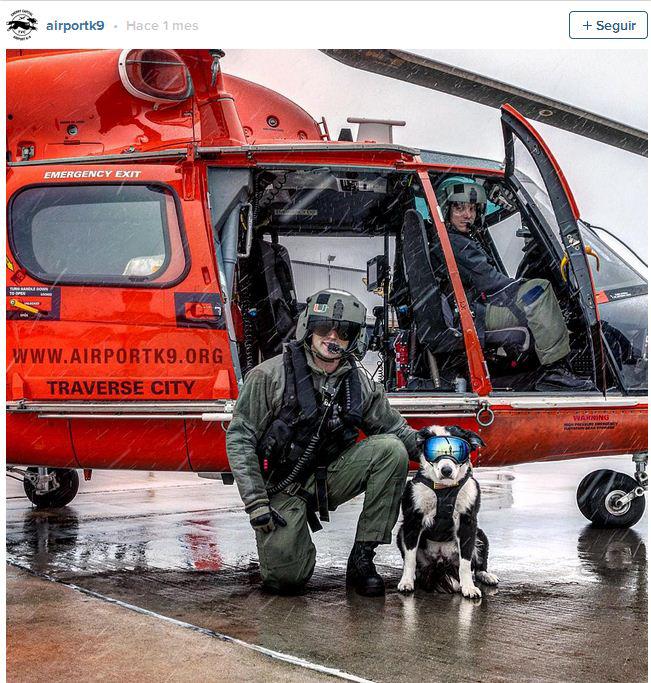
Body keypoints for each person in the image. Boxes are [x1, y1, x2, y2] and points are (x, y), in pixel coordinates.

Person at [227, 289, 451, 597]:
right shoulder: (270, 376)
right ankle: (291, 543)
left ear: (354, 338)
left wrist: (442, 452)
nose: (332, 336)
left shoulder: (359, 384)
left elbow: (398, 432)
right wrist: (256, 503)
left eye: (343, 331)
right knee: (286, 581)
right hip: (282, 487)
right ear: (309, 328)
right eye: (324, 327)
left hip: (330, 478)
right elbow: (240, 437)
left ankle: (362, 558)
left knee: (390, 450)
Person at [435, 177, 594, 392]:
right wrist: (521, 286)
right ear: (446, 210)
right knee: (540, 291)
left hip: (471, 309)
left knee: (532, 291)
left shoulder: (455, 239)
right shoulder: (456, 243)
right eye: (459, 208)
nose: (467, 215)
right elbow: (491, 283)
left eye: (472, 209)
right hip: (474, 313)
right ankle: (555, 371)